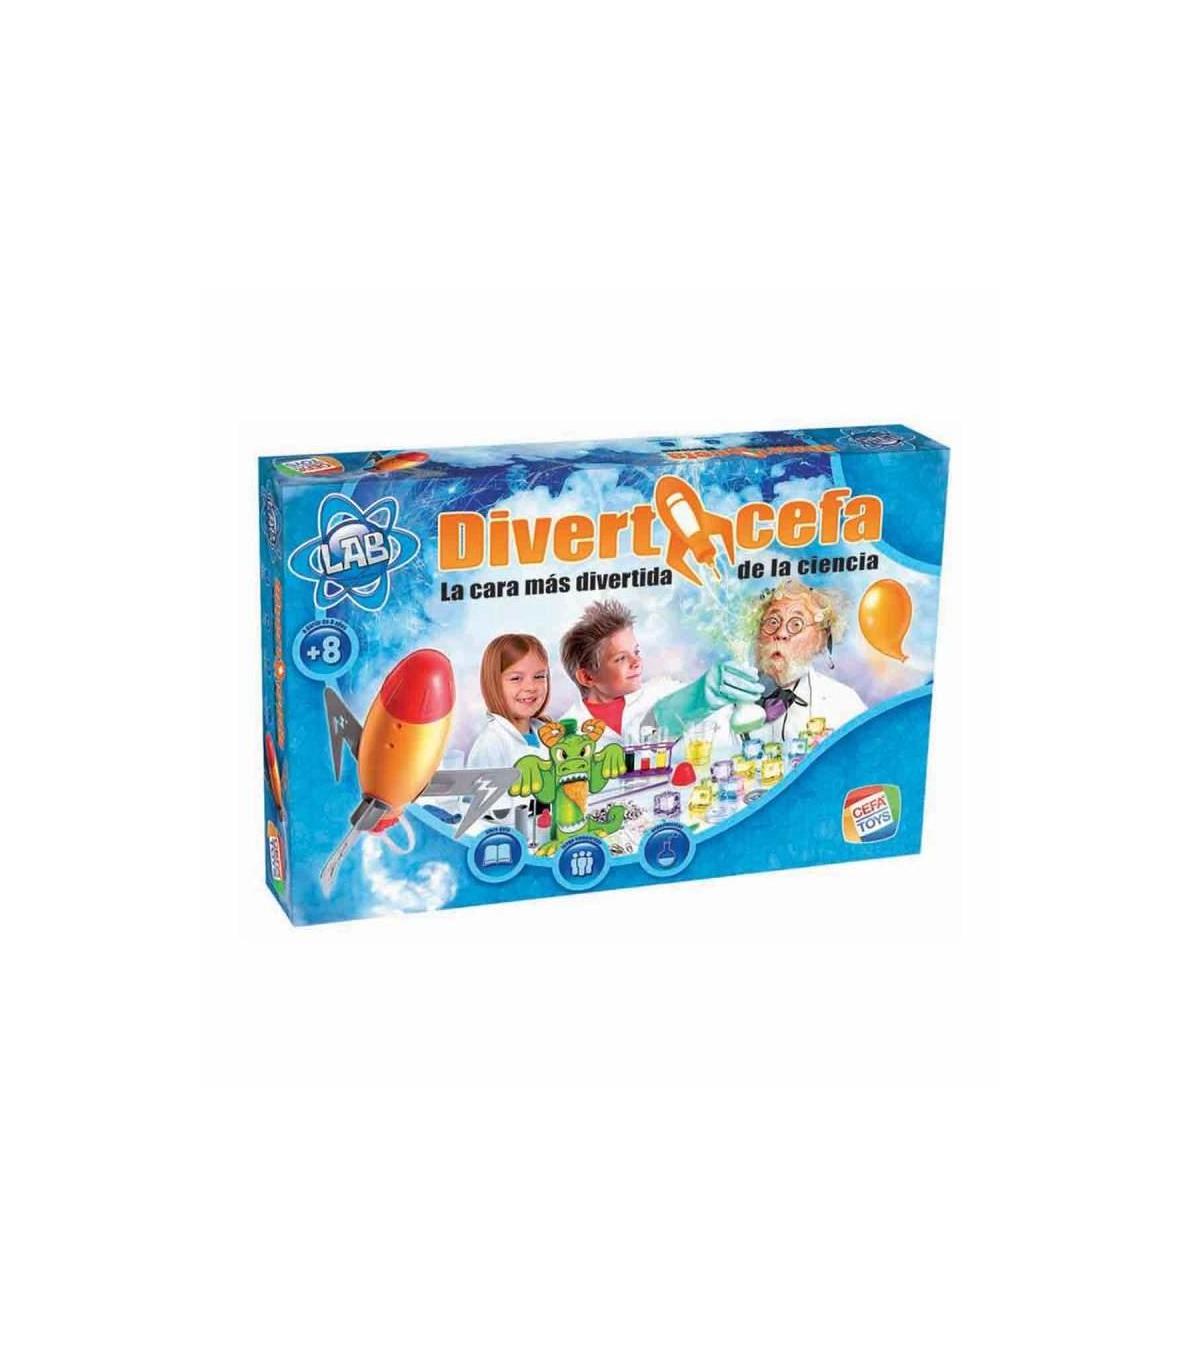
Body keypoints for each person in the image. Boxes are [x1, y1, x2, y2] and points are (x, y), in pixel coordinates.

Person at [556, 599, 758, 748]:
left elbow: (721, 725)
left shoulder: (664, 691)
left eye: (636, 652)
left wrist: (706, 698)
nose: (636, 662)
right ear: (587, 677)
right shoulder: (564, 733)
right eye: (621, 658)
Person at [718, 581, 866, 745]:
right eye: (772, 622)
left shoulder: (844, 704)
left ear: (821, 640)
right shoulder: (723, 701)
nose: (781, 633)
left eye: (796, 624)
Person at [466, 633, 554, 770]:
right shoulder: (491, 745)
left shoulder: (549, 733)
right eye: (516, 678)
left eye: (539, 676)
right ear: (493, 683)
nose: (531, 687)